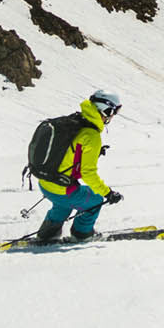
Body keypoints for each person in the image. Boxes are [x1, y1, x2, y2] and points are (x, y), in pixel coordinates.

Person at [34, 90, 124, 242]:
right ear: (105, 110)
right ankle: (82, 234)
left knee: (63, 204)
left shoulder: (76, 120)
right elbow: (88, 173)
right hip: (62, 188)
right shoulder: (92, 136)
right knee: (94, 200)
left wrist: (92, 153)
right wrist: (108, 193)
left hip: (45, 182)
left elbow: (69, 148)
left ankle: (48, 233)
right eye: (113, 111)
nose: (113, 116)